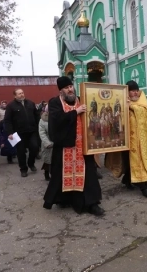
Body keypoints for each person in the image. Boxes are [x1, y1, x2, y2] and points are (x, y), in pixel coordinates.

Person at [43, 76, 104, 216]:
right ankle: (64, 199)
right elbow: (56, 120)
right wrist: (75, 112)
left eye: (71, 86)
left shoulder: (81, 99)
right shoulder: (54, 103)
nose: (70, 89)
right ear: (61, 91)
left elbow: (97, 108)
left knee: (89, 175)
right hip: (64, 147)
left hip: (83, 146)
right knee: (62, 175)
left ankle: (92, 203)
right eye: (66, 88)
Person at [105, 80, 147, 198]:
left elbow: (144, 114)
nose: (135, 93)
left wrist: (131, 107)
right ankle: (129, 180)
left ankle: (143, 186)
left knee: (137, 160)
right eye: (131, 91)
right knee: (127, 160)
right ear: (127, 92)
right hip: (125, 140)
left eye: (136, 90)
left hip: (141, 140)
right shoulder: (121, 101)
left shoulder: (142, 101)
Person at [4, 88, 40, 177]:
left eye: (22, 93)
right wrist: (10, 132)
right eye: (19, 93)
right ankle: (23, 169)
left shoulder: (31, 103)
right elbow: (7, 120)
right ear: (15, 96)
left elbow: (37, 116)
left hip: (32, 131)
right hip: (19, 133)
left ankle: (31, 163)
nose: (22, 95)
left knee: (35, 147)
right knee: (21, 152)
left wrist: (38, 127)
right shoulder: (11, 106)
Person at [38, 105, 52, 181]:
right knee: (48, 161)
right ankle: (46, 173)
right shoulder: (43, 120)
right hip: (48, 145)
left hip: (57, 143)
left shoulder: (58, 117)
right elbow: (42, 133)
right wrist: (47, 143)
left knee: (56, 162)